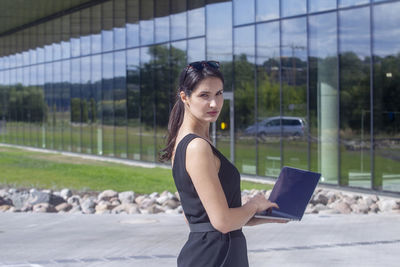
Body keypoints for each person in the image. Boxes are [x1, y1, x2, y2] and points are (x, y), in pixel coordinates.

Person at [160, 61, 285, 267]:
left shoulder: (188, 142)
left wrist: (264, 215)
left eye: (219, 94)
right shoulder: (196, 146)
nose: (214, 103)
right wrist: (254, 204)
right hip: (217, 257)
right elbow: (223, 222)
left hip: (213, 253)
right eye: (204, 95)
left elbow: (200, 218)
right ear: (185, 97)